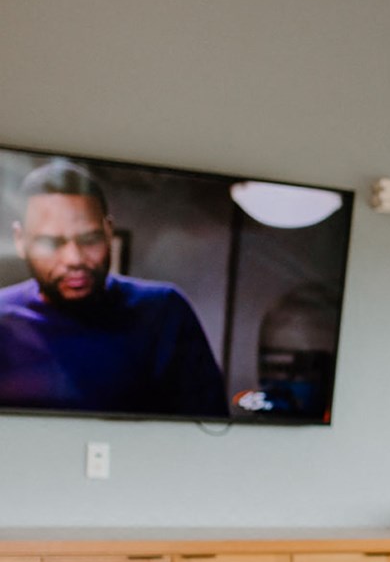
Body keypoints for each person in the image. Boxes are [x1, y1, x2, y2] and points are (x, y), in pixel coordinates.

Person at [0, 158, 229, 417]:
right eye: (52, 243)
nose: (74, 259)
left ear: (108, 232)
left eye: (89, 239)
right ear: (20, 241)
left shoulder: (164, 312)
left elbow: (208, 429)